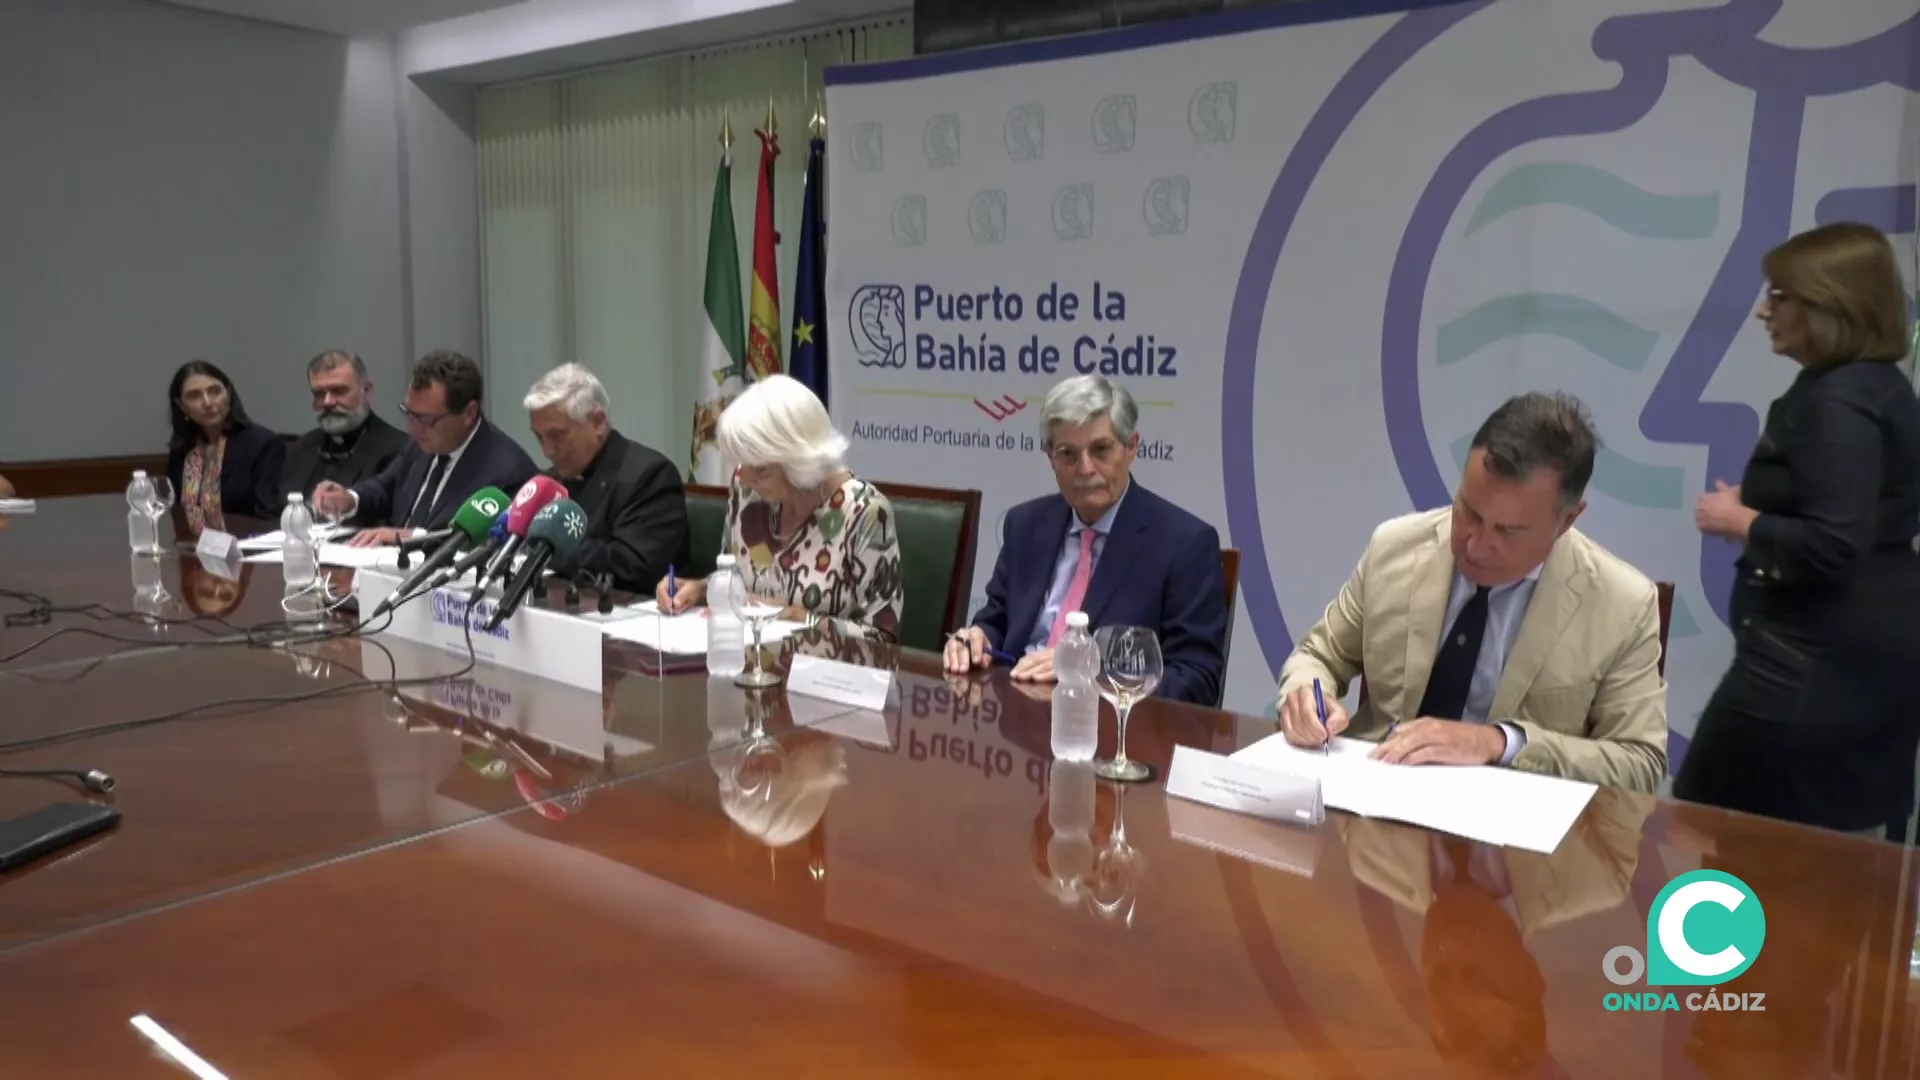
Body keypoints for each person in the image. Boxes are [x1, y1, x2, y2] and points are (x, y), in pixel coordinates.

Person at [1276, 392, 1668, 792]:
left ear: (1567, 520)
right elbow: (1318, 656)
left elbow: (1639, 762)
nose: (1475, 546)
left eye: (1508, 531)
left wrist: (1499, 742)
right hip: (1372, 806)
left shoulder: (1623, 604)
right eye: (1469, 512)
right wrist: (1306, 694)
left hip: (1513, 836)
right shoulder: (1394, 548)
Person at [1678, 222, 1920, 836]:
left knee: (1707, 830)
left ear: (1831, 304)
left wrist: (1741, 520)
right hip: (1844, 669)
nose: (1764, 310)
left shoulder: (1839, 402)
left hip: (1808, 681)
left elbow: (1835, 542)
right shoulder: (1876, 389)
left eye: (1780, 296)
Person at [942, 375, 1228, 707]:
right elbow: (996, 619)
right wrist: (977, 639)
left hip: (1109, 734)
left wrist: (1090, 672)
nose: (1086, 468)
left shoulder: (1184, 544)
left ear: (1131, 447)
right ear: (1050, 456)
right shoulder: (1026, 525)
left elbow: (1198, 679)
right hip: (1017, 719)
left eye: (1101, 449)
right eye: (1068, 454)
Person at [655, 374, 903, 642]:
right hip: (748, 664)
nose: (746, 478)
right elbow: (737, 578)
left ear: (801, 460)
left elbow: (882, 640)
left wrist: (794, 615)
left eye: (760, 468)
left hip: (823, 677)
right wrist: (700, 589)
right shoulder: (747, 489)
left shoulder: (864, 512)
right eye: (743, 462)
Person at [313, 350, 537, 546]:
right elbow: (385, 487)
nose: (415, 427)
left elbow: (484, 545)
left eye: (426, 419)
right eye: (409, 413)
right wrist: (350, 499)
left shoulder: (508, 471)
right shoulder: (422, 443)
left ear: (469, 413)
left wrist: (415, 536)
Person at [524, 363, 688, 595]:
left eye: (556, 435)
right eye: (539, 438)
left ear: (598, 422)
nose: (547, 451)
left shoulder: (649, 475)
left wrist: (549, 549)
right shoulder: (548, 483)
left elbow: (633, 567)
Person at [279, 349, 409, 505]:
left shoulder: (399, 450)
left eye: (339, 391)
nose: (327, 402)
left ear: (367, 392)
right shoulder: (299, 449)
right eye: (319, 393)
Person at [165, 360, 286, 527]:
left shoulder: (263, 444)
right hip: (191, 545)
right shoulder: (183, 449)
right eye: (194, 396)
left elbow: (267, 516)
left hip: (247, 544)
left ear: (228, 394)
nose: (207, 402)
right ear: (181, 406)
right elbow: (177, 510)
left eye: (215, 391)